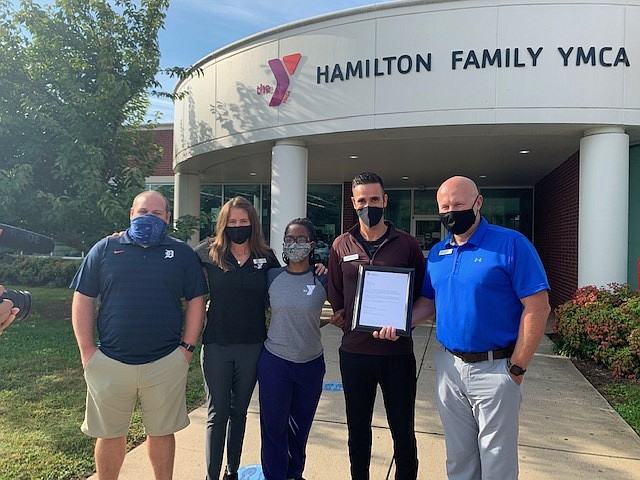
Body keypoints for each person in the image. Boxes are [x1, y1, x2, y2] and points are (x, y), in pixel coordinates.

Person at [419, 175, 551, 479]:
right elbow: (428, 303)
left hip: (496, 368)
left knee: (497, 464)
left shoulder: (512, 244)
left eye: (459, 204)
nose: (451, 211)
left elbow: (538, 307)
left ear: (478, 203)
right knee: (459, 460)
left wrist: (516, 369)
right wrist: (395, 324)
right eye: (445, 206)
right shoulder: (438, 253)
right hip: (449, 368)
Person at [70, 190, 207, 480]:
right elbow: (83, 297)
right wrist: (86, 351)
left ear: (168, 218)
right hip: (109, 361)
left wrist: (187, 350)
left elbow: (196, 300)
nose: (149, 218)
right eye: (143, 212)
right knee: (109, 435)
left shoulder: (181, 253)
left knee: (161, 433)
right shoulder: (105, 248)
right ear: (131, 214)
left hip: (165, 362)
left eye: (156, 214)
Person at [327, 172, 425, 480]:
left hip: (397, 355)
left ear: (384, 201)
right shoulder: (341, 245)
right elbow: (337, 297)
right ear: (353, 203)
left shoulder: (407, 245)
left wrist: (403, 324)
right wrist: (344, 315)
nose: (368, 205)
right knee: (357, 429)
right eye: (362, 200)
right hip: (355, 354)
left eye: (374, 199)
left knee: (403, 430)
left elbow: (421, 295)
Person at [195, 196, 281, 480]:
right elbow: (175, 267)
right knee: (217, 413)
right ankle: (211, 475)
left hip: (253, 346)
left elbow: (287, 283)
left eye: (243, 222)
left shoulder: (266, 257)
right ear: (223, 224)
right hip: (217, 344)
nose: (238, 226)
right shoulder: (208, 252)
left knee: (239, 412)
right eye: (232, 222)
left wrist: (316, 272)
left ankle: (232, 471)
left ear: (253, 224)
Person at [257, 218, 335, 480]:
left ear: (312, 245)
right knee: (273, 428)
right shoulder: (272, 276)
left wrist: (328, 321)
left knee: (300, 428)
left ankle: (294, 474)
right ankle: (274, 475)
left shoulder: (323, 278)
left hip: (310, 364)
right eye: (290, 239)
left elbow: (344, 309)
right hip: (275, 362)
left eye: (301, 240)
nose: (295, 244)